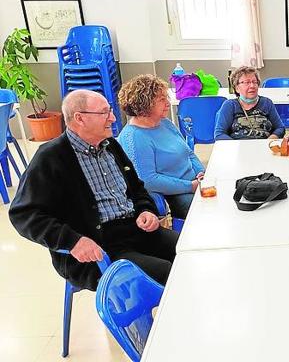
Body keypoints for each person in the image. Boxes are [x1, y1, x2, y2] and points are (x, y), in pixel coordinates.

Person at [9, 90, 179, 290]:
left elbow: (137, 188)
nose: (113, 117)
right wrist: (72, 241)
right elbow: (23, 214)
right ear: (80, 118)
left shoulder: (111, 146)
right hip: (99, 247)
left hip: (136, 230)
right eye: (105, 113)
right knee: (169, 274)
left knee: (190, 252)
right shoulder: (51, 157)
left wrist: (145, 210)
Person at [117, 74, 204, 219]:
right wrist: (191, 186)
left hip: (195, 181)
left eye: (167, 98)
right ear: (144, 104)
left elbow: (188, 153)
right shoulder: (134, 137)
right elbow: (148, 181)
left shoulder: (165, 123)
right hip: (176, 193)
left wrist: (201, 173)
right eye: (162, 99)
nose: (168, 103)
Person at [214, 66, 285, 140]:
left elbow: (280, 128)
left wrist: (270, 140)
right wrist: (237, 146)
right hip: (239, 148)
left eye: (254, 82)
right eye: (247, 82)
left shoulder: (267, 103)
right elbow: (219, 134)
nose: (252, 86)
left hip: (263, 146)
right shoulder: (230, 105)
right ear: (237, 88)